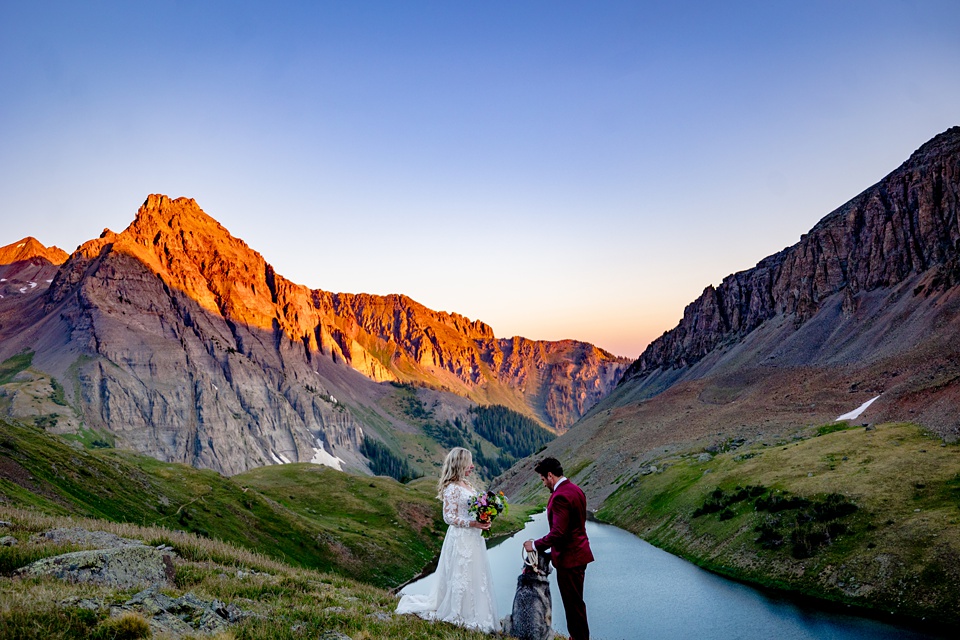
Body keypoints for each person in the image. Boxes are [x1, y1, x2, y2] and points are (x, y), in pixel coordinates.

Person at [396, 447, 500, 632]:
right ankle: (459, 612)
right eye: (469, 463)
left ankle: (477, 613)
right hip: (461, 537)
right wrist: (473, 523)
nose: (472, 466)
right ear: (460, 464)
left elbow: (473, 509)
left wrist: (484, 518)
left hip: (474, 537)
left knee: (476, 574)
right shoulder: (452, 488)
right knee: (461, 574)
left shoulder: (467, 484)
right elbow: (448, 517)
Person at [524, 457, 594, 640]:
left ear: (550, 475)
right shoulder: (576, 489)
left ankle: (578, 638)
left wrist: (534, 545)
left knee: (573, 604)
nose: (543, 484)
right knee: (575, 602)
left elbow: (558, 533)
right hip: (579, 553)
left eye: (543, 479)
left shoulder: (560, 496)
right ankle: (576, 636)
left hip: (570, 558)